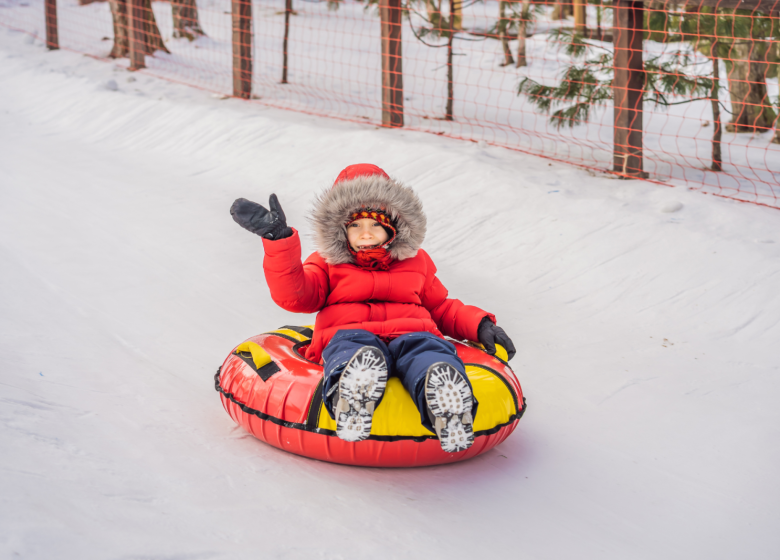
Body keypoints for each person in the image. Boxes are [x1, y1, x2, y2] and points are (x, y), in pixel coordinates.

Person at [230, 164, 515, 453]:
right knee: (354, 349)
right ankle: (353, 395)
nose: (365, 233)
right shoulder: (327, 262)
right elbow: (296, 295)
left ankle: (445, 403)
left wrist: (480, 325)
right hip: (350, 334)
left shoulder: (416, 261)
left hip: (412, 333)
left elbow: (440, 306)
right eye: (355, 225)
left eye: (375, 224)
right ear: (340, 229)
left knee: (428, 351)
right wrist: (280, 242)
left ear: (394, 224)